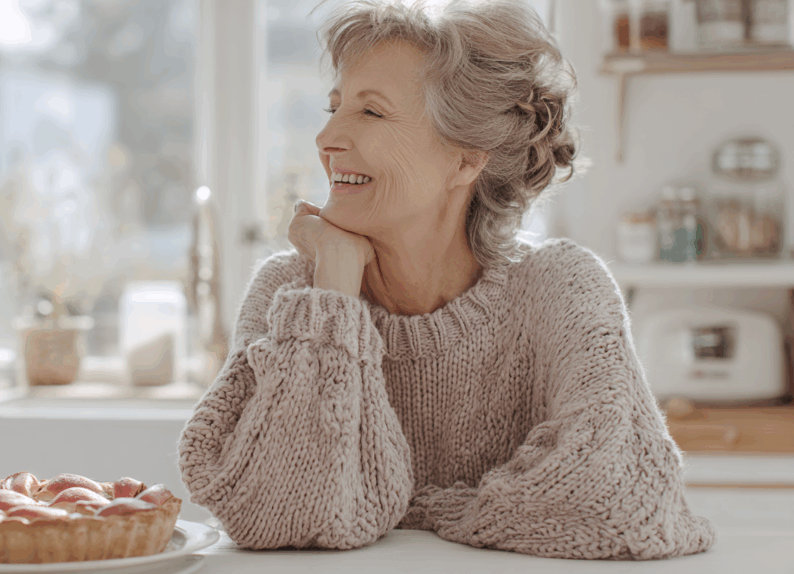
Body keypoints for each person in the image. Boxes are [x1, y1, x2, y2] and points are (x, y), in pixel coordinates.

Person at [176, 0, 716, 560]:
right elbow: (275, 515)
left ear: (464, 162)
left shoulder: (559, 290)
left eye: (371, 113)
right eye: (334, 107)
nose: (326, 138)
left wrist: (417, 508)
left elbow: (625, 506)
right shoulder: (291, 293)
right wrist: (331, 293)